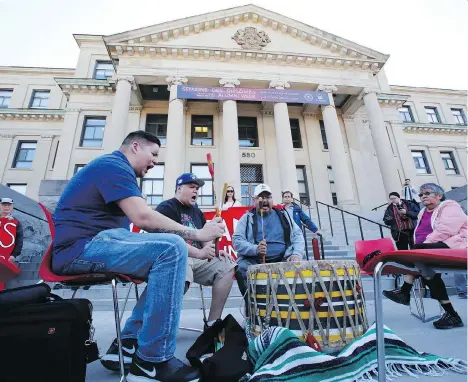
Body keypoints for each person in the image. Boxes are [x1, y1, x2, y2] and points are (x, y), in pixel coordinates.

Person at [52, 131, 225, 381]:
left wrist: (200, 243)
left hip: (99, 243)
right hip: (81, 248)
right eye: (153, 154)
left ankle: (130, 340)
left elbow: (145, 225)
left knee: (172, 258)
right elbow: (143, 218)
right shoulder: (113, 166)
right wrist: (198, 234)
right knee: (172, 248)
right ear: (135, 146)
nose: (155, 161)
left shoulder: (117, 171)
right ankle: (153, 360)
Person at [156, 173, 236, 327]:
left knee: (227, 266)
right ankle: (161, 324)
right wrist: (200, 252)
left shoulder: (197, 212)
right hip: (176, 257)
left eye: (197, 189)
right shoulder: (167, 207)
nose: (196, 192)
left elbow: (205, 239)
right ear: (179, 188)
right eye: (191, 187)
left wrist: (213, 250)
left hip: (198, 259)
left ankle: (213, 323)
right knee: (180, 266)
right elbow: (168, 242)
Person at [383, 183, 466, 329]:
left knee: (416, 257)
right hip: (432, 248)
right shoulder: (423, 212)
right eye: (421, 195)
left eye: (427, 193)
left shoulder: (449, 206)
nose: (423, 197)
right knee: (427, 273)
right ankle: (452, 315)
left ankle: (405, 290)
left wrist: (423, 247)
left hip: (454, 244)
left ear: (439, 196)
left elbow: (446, 230)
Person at [233, 184, 305, 297]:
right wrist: (255, 249)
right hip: (254, 261)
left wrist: (296, 254)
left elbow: (298, 235)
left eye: (268, 197)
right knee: (240, 267)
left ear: (272, 200)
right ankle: (251, 305)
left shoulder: (284, 215)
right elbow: (237, 240)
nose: (265, 200)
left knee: (298, 267)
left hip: (284, 259)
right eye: (261, 197)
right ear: (254, 200)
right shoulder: (247, 218)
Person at [0, 197, 23, 263]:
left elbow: (19, 240)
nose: (6, 207)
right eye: (4, 205)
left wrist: (14, 255)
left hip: (6, 257)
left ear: (12, 207)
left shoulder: (16, 222)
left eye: (9, 205)